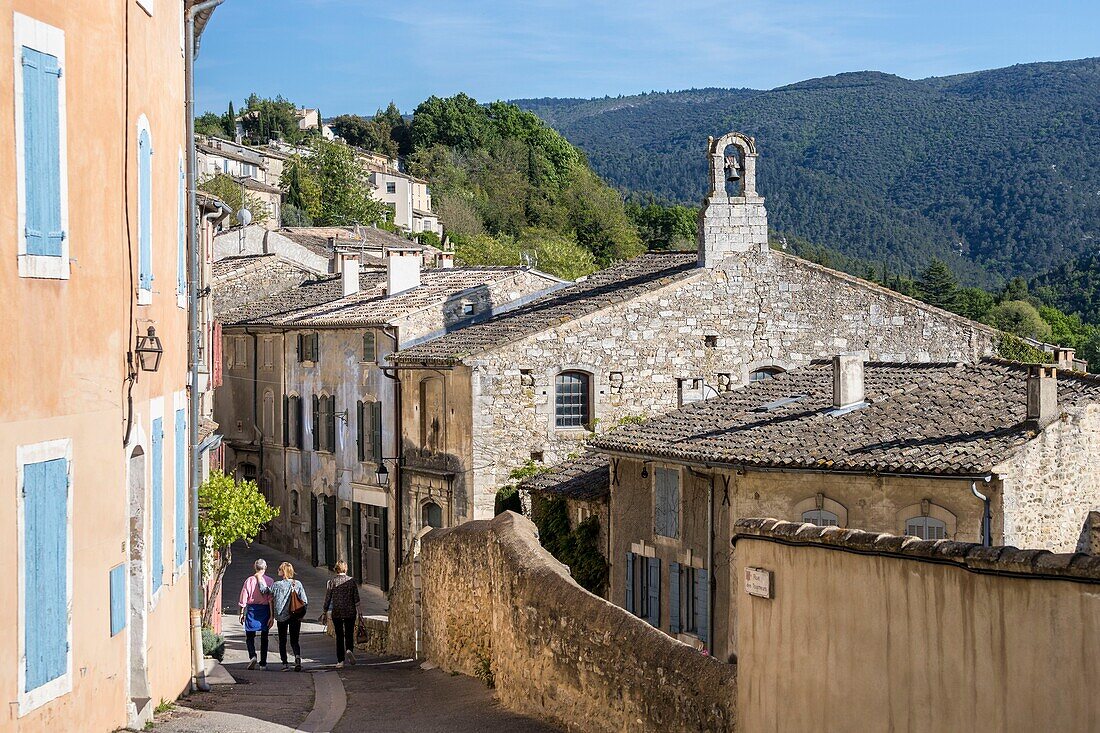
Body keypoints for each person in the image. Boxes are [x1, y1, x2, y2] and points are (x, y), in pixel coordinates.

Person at [320, 560, 361, 668]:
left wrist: (324, 611)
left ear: (336, 569)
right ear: (345, 568)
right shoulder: (351, 581)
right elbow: (356, 598)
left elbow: (328, 598)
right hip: (350, 612)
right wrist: (360, 612)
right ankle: (349, 650)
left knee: (339, 636)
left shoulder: (332, 582)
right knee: (349, 633)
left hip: (337, 612)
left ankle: (340, 661)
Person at [238, 558, 274, 670]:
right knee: (264, 637)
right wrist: (272, 616)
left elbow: (244, 597)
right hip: (265, 610)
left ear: (255, 567)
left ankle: (252, 656)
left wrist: (241, 612)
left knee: (249, 636)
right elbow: (271, 599)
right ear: (265, 568)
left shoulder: (249, 580)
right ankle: (263, 663)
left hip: (252, 609)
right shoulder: (270, 581)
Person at [272, 562, 307, 672]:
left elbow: (266, 592)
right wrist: (301, 615)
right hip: (295, 615)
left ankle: (285, 663)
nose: (278, 570)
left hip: (282, 616)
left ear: (283, 572)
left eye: (279, 569)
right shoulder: (298, 584)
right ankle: (297, 656)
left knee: (282, 640)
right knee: (294, 640)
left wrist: (259, 579)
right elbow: (305, 601)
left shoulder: (277, 585)